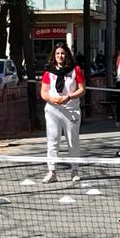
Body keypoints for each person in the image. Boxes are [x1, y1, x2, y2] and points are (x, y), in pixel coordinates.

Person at [40, 40, 85, 185]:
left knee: (72, 141)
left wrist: (69, 97)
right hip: (53, 110)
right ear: (54, 55)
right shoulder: (49, 71)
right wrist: (51, 99)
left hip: (71, 109)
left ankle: (75, 171)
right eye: (58, 53)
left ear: (67, 55)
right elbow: (44, 91)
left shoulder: (75, 70)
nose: (60, 56)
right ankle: (52, 171)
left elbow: (82, 89)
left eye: (63, 54)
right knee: (53, 140)